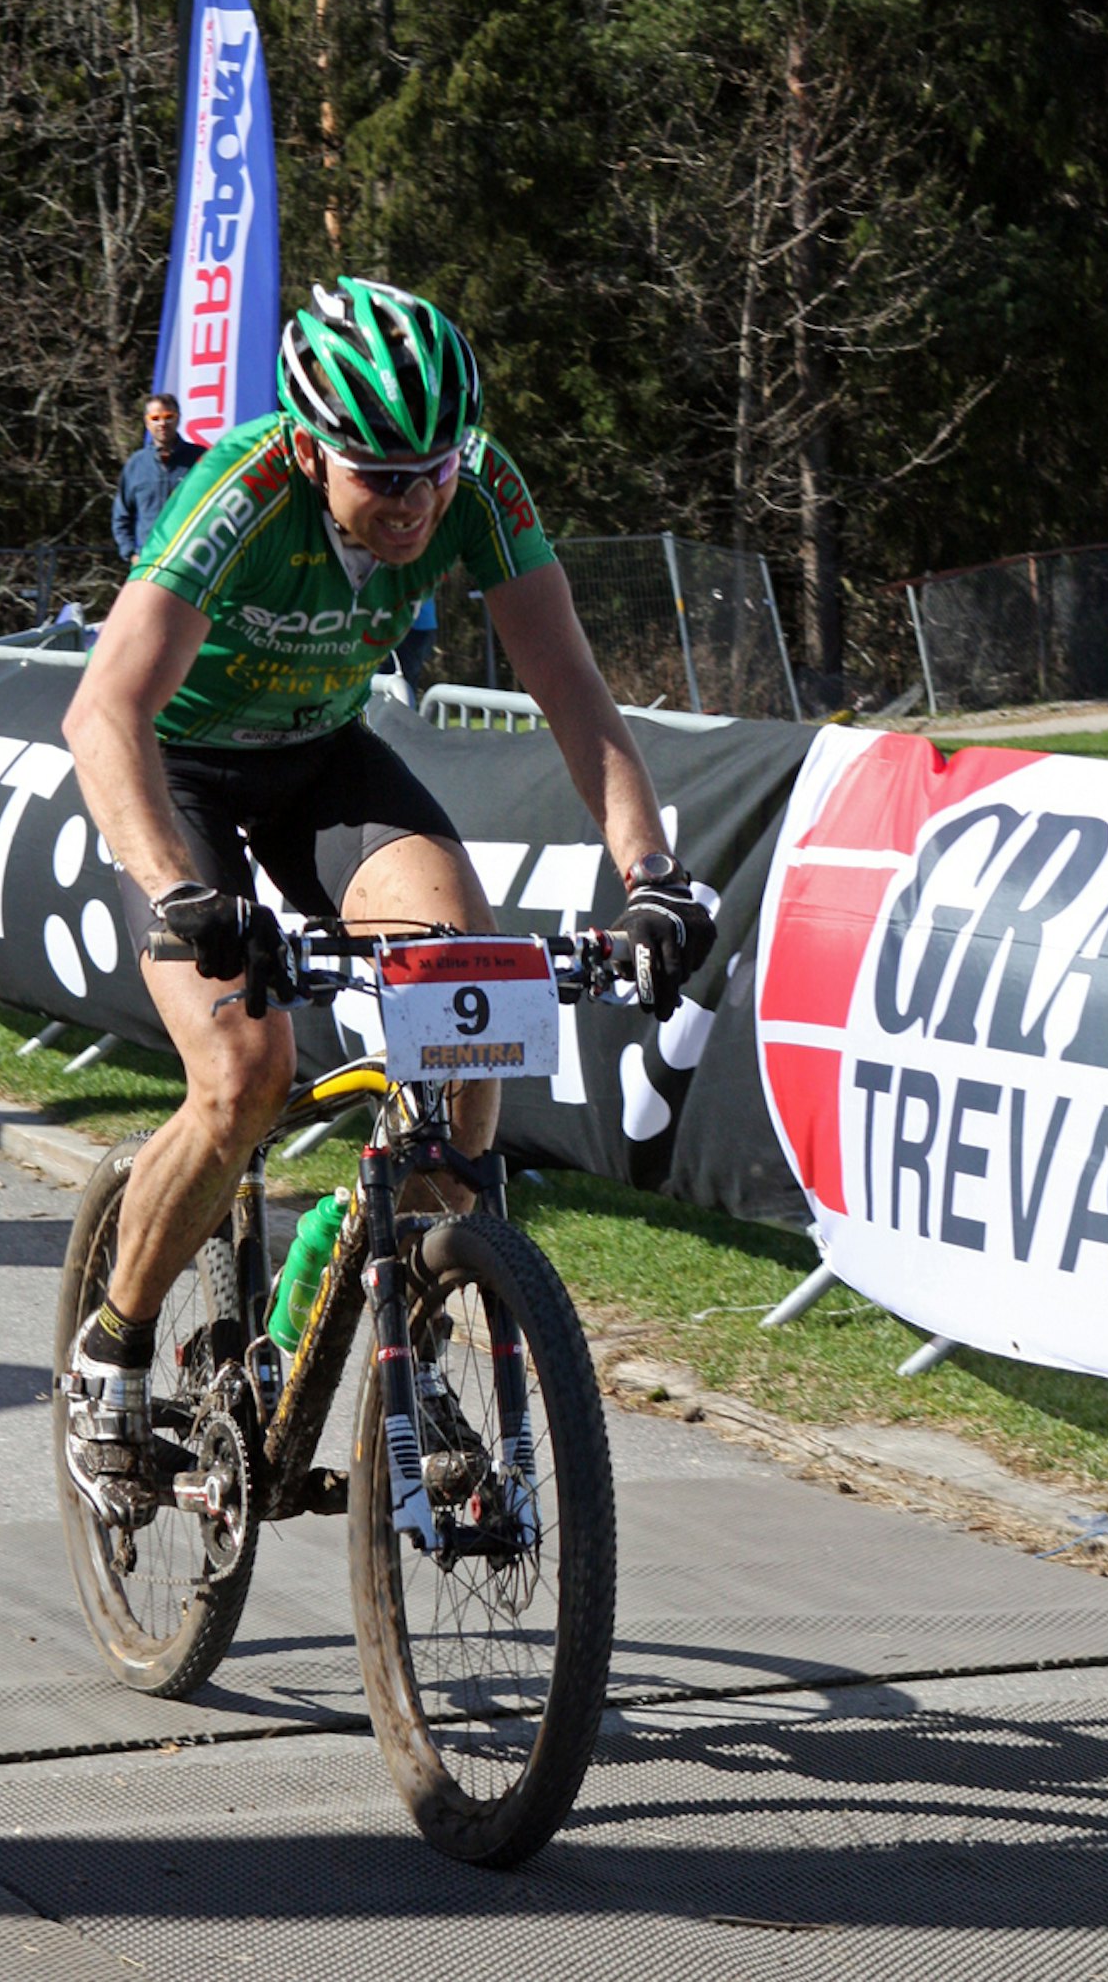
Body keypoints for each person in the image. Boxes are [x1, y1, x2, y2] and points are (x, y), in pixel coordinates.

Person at [61, 275, 716, 1528]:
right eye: (381, 475)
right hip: (180, 771)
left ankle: (396, 1296)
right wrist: (182, 890)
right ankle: (112, 1348)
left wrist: (650, 875)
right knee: (243, 1073)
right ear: (311, 448)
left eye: (434, 468)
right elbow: (104, 713)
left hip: (319, 759)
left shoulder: (476, 486)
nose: (415, 499)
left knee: (461, 993)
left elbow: (572, 689)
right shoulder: (240, 492)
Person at [110, 393, 206, 565]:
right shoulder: (136, 465)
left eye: (169, 417)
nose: (162, 423)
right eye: (155, 418)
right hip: (148, 562)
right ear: (147, 422)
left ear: (178, 419)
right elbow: (121, 516)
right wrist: (131, 554)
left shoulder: (200, 459)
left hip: (191, 562)